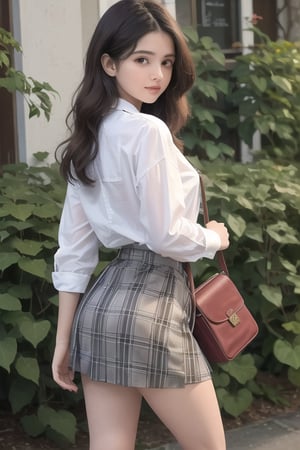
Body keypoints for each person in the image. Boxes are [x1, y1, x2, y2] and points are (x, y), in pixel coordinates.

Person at [51, 1, 229, 449]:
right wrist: (213, 238)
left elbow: (74, 252)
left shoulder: (86, 140)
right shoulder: (148, 132)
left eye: (166, 62)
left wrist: (63, 339)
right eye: (142, 60)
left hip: (100, 309)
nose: (158, 75)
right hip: (152, 307)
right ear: (108, 63)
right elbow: (165, 234)